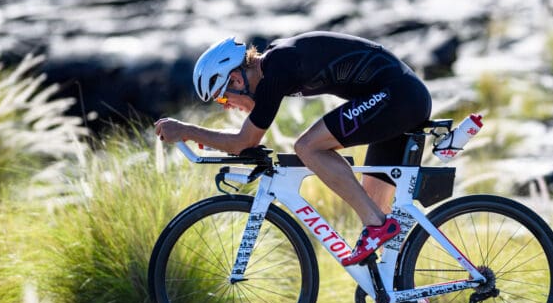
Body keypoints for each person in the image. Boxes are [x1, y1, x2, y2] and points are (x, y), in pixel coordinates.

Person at [155, 31, 432, 266]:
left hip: (397, 97)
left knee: (307, 147)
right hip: (394, 99)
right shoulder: (274, 66)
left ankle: (377, 225)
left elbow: (244, 141)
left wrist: (186, 130)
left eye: (222, 98)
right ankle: (408, 299)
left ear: (237, 80)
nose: (227, 106)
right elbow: (249, 136)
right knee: (376, 221)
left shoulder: (278, 68)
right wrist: (203, 136)